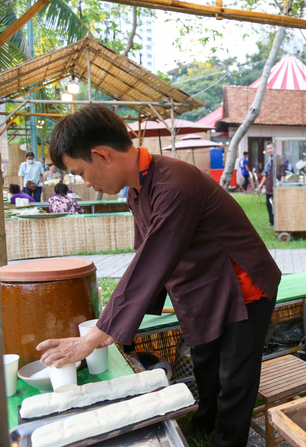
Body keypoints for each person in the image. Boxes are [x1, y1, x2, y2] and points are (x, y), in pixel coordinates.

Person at [37, 105, 281, 447]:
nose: (85, 183)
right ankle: (204, 426)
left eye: (81, 172)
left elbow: (152, 262)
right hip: (204, 287)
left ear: (100, 155)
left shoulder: (174, 183)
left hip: (242, 287)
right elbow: (145, 257)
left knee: (235, 379)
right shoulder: (138, 188)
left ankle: (227, 441)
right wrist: (118, 329)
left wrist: (93, 338)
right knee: (206, 366)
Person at [256, 142, 285, 227]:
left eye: (270, 148)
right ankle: (272, 221)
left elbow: (283, 174)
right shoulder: (269, 160)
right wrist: (261, 185)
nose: (269, 150)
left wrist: (281, 185)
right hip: (269, 186)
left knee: (278, 205)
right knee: (269, 204)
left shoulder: (279, 159)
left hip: (277, 186)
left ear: (274, 149)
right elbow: (266, 174)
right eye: (267, 149)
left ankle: (279, 221)